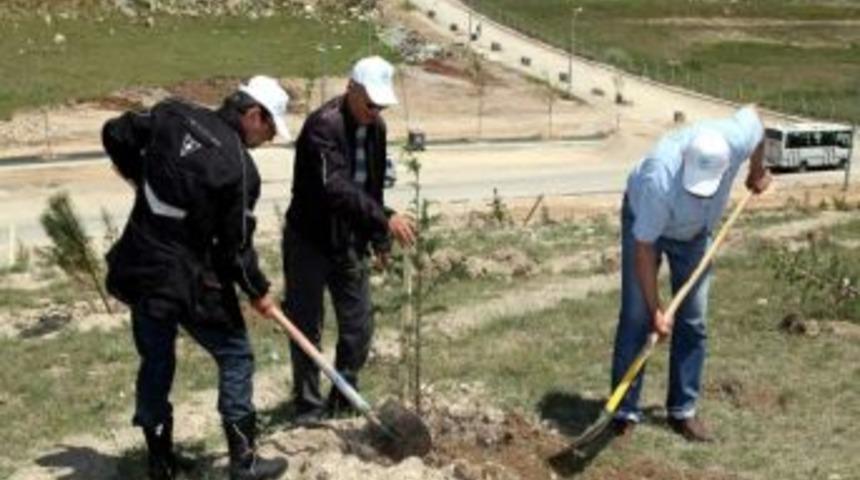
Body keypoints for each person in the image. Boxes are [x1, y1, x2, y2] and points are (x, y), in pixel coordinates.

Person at [102, 76, 290, 480]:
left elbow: (115, 132)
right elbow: (234, 249)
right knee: (236, 355)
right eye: (271, 128)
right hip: (189, 280)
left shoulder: (173, 113)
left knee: (155, 360)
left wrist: (141, 178)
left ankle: (160, 462)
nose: (270, 139)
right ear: (254, 115)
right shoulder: (240, 169)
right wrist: (258, 290)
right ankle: (244, 463)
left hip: (141, 265)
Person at [610, 105, 772, 442]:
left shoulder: (736, 138)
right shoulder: (660, 178)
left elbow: (756, 118)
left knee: (693, 319)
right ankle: (624, 410)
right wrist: (656, 309)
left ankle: (683, 411)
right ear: (684, 161)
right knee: (637, 317)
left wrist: (756, 172)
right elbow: (643, 250)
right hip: (648, 227)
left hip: (696, 237)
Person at [281, 56, 415, 423]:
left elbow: (371, 188)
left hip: (348, 241)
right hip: (308, 239)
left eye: (382, 105)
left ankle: (344, 396)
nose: (376, 111)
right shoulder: (322, 127)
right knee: (306, 324)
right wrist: (384, 220)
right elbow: (335, 187)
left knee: (359, 326)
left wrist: (378, 237)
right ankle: (308, 408)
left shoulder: (377, 130)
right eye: (370, 103)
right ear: (351, 89)